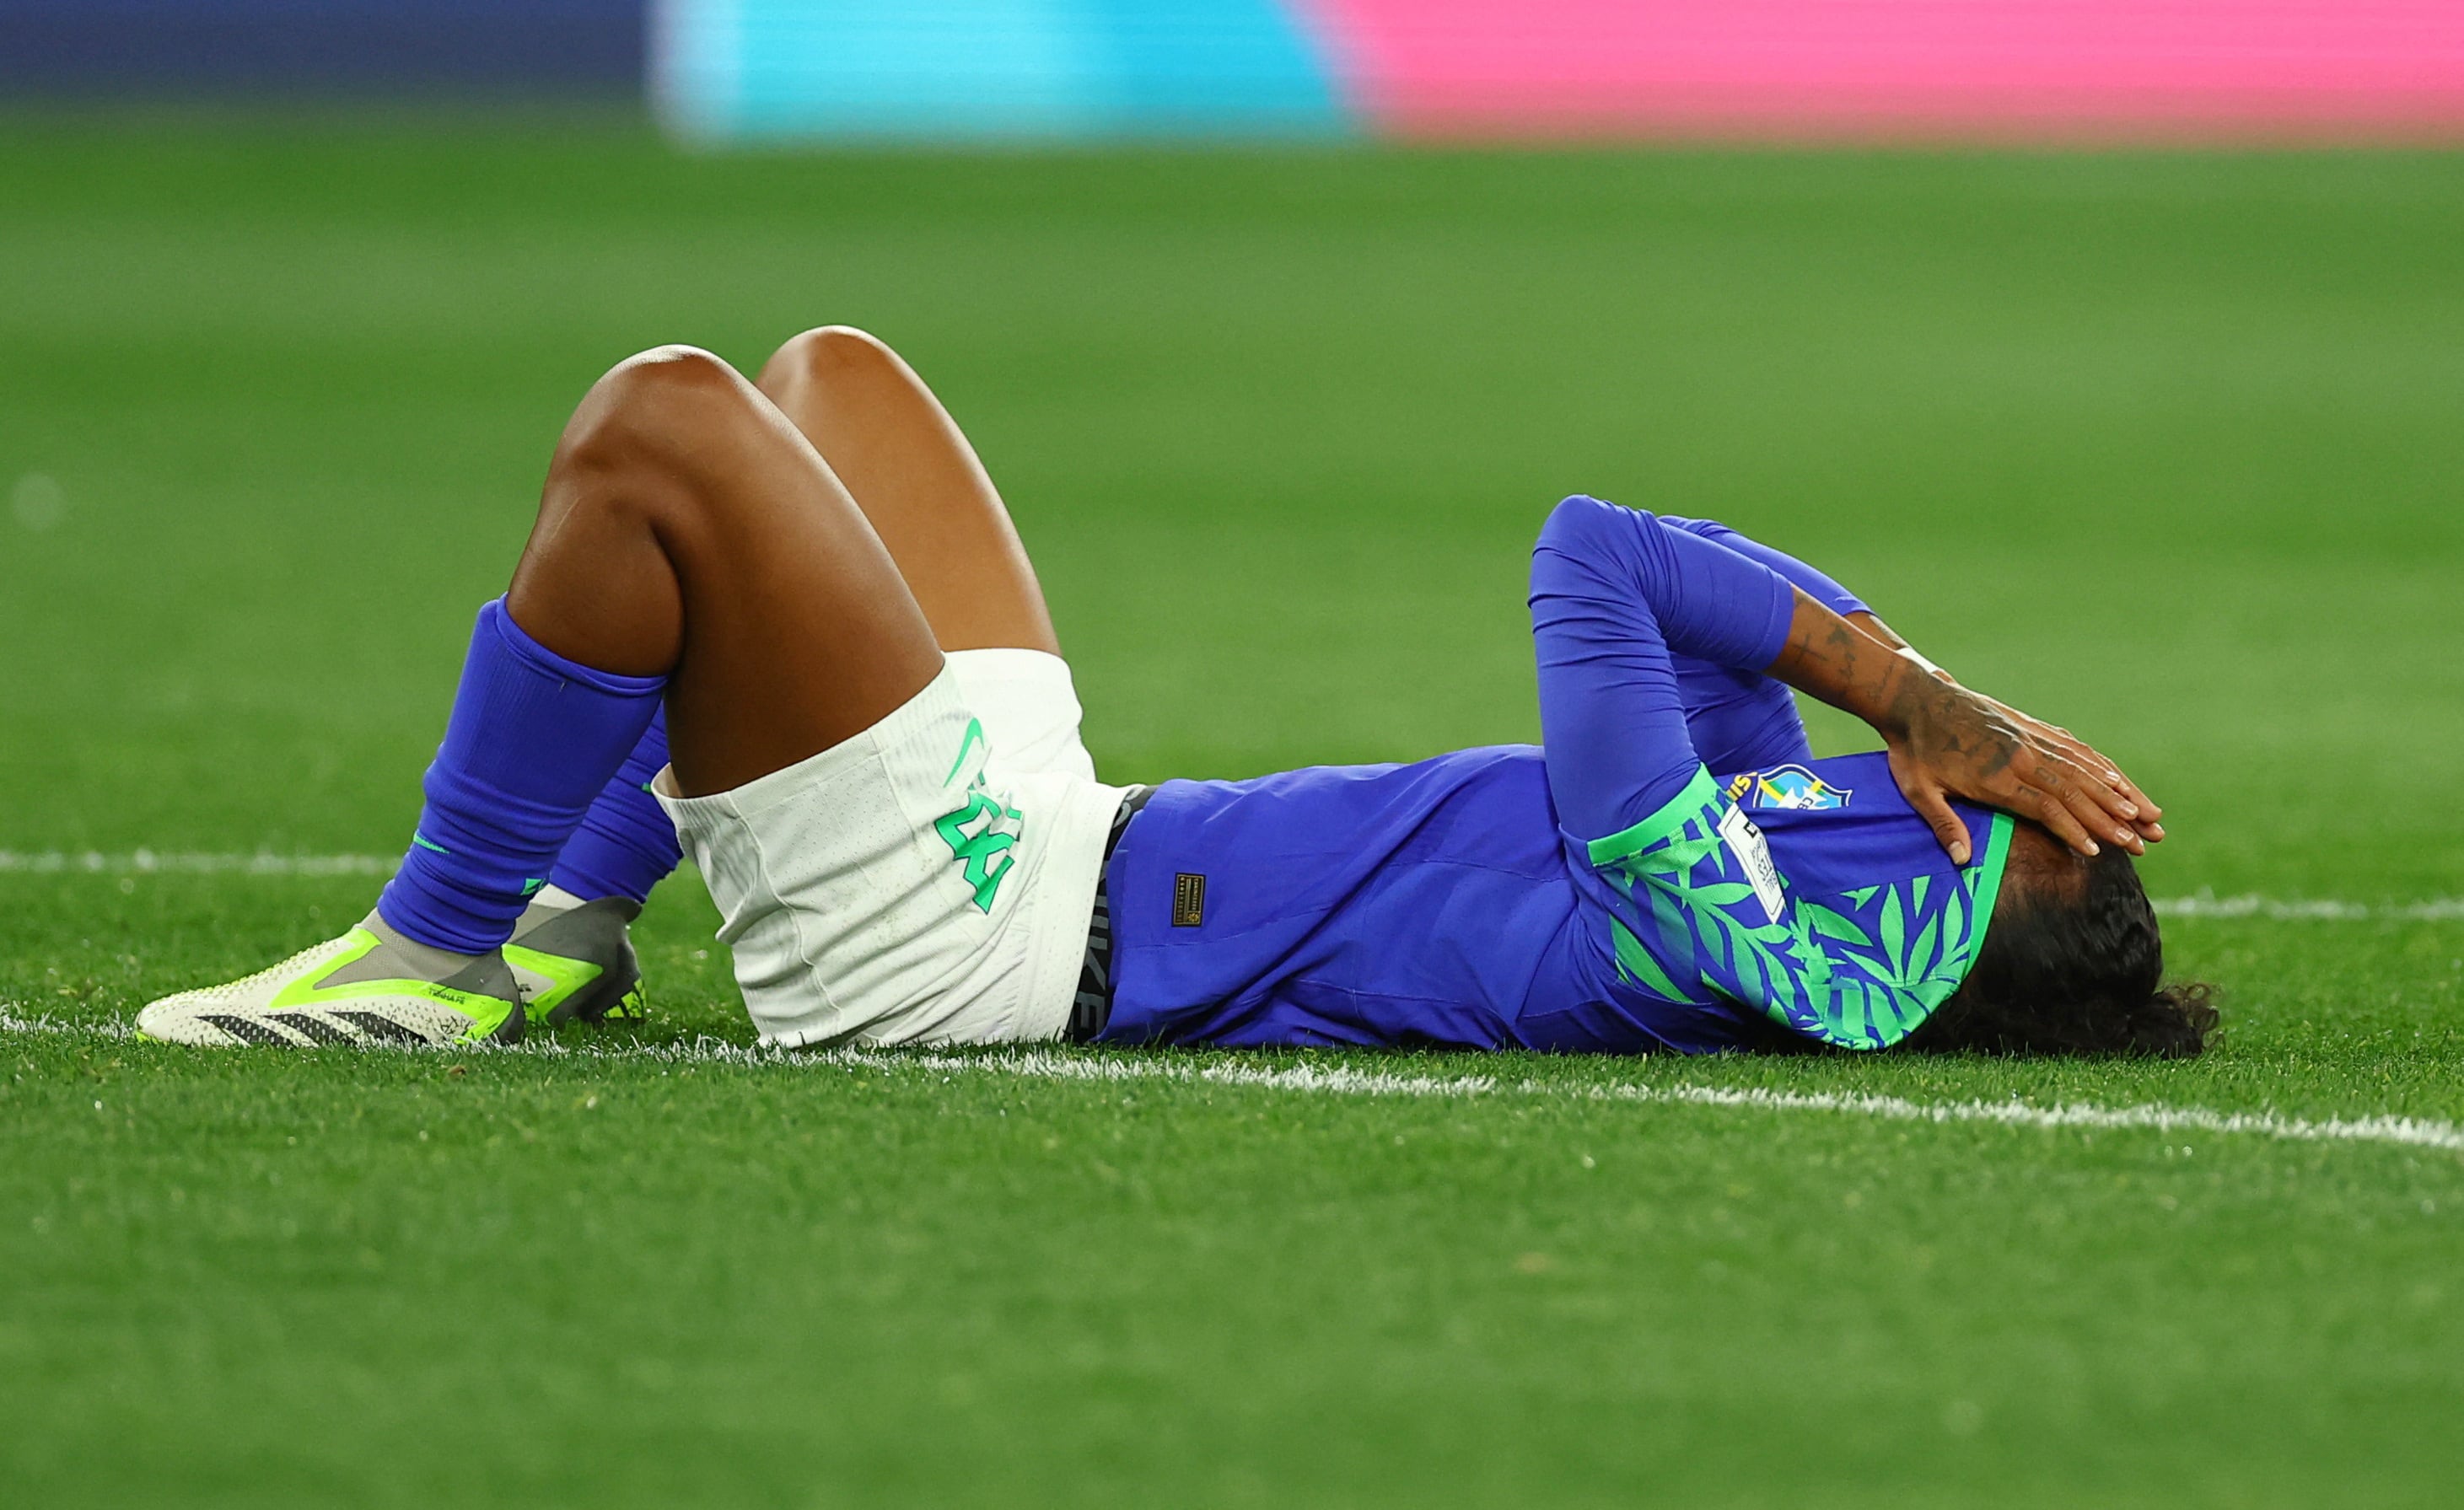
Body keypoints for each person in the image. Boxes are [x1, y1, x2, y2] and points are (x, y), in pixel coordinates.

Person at [137, 329, 2214, 1058]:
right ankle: (568, 930)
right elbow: (1719, 617)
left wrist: (1919, 687)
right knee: (828, 382)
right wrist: (1917, 705)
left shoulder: (1731, 916)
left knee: (655, 435)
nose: (1972, 770)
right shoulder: (1796, 871)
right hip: (1075, 833)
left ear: (1967, 867)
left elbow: (1594, 550)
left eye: (2002, 796)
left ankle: (431, 954)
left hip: (974, 944)